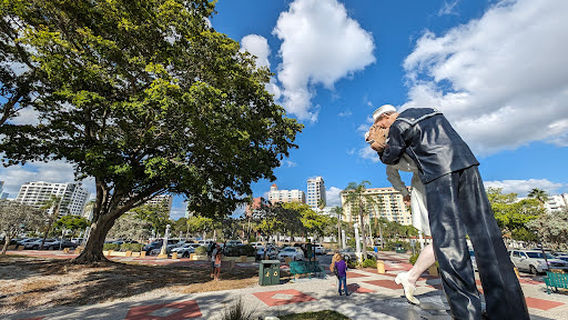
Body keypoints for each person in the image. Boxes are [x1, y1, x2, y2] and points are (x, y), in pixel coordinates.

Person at [366, 105, 529, 319]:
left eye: (380, 125)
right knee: (486, 235)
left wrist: (380, 148)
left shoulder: (399, 125)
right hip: (468, 165)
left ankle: (466, 312)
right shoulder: (430, 112)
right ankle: (509, 310)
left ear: (385, 117)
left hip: (438, 173)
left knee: (447, 241)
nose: (382, 129)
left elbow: (391, 157)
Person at [385, 152, 436, 305]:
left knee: (445, 238)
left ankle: (411, 276)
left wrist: (404, 192)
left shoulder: (396, 148)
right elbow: (391, 170)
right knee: (445, 237)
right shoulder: (405, 144)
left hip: (426, 183)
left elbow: (390, 171)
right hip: (430, 183)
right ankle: (411, 276)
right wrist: (404, 192)